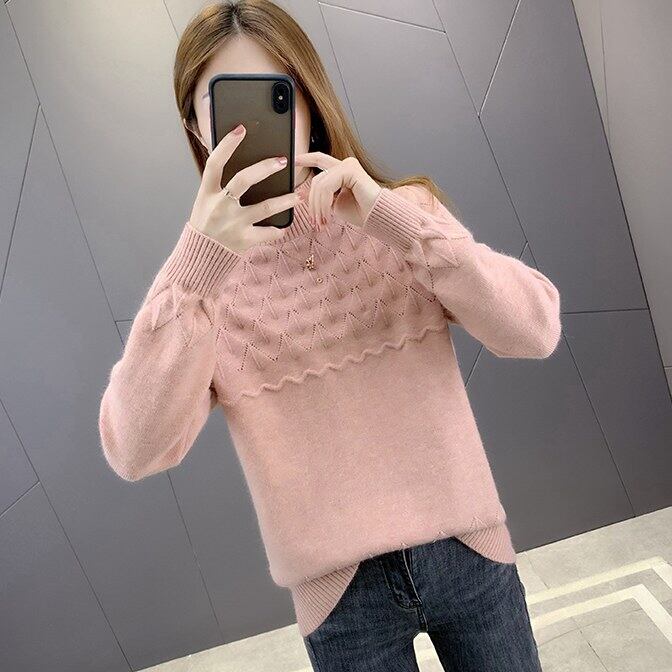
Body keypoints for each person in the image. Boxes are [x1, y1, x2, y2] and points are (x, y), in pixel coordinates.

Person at [99, 2, 561, 670]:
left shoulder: (400, 220)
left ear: (308, 103)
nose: (253, 124)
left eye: (276, 93)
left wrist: (392, 219)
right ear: (195, 125)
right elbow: (134, 448)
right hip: (341, 603)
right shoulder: (201, 289)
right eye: (224, 103)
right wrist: (196, 269)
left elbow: (535, 328)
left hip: (471, 554)